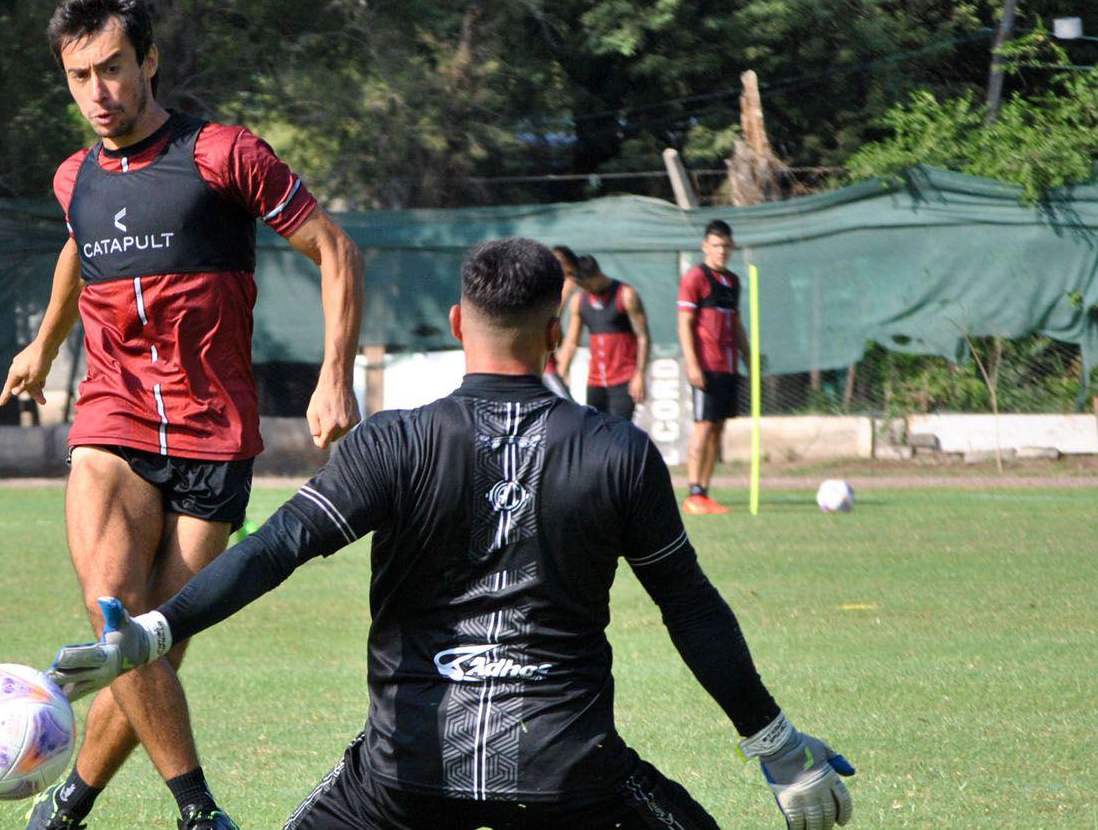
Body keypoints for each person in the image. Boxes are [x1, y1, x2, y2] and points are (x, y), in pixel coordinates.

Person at [55, 238, 855, 830]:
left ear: (454, 322)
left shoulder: (391, 442)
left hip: (401, 782)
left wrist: (154, 631)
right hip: (572, 782)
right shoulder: (620, 453)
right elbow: (691, 609)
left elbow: (273, 552)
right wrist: (778, 749)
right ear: (555, 331)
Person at [0, 0, 364, 829]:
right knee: (114, 613)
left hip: (214, 435)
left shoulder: (222, 156)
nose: (98, 92)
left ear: (149, 61)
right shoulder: (73, 177)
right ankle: (199, 811)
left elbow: (334, 249)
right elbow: (78, 248)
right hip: (112, 420)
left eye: (114, 69)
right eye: (80, 75)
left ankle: (69, 804)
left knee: (152, 644)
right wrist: (46, 345)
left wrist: (334, 373)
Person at [677, 220, 748, 515]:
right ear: (706, 247)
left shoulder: (733, 281)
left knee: (719, 428)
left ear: (731, 247)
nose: (721, 251)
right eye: (715, 245)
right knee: (703, 426)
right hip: (705, 366)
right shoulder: (695, 278)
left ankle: (705, 492)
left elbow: (737, 323)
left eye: (725, 246)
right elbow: (684, 323)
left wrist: (748, 355)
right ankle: (693, 491)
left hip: (728, 367)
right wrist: (693, 363)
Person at [553, 252, 650, 421]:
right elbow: (571, 342)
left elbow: (643, 337)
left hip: (624, 380)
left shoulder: (626, 295)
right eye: (581, 286)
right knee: (596, 433)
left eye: (587, 284)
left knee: (620, 433)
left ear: (597, 274)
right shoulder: (580, 300)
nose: (586, 289)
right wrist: (562, 371)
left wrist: (639, 374)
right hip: (596, 381)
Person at [539, 246, 582, 399]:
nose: (573, 281)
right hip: (537, 366)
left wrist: (564, 368)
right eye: (569, 274)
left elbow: (565, 339)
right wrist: (565, 293)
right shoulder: (539, 287)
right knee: (567, 408)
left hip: (546, 364)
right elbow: (547, 320)